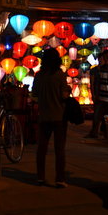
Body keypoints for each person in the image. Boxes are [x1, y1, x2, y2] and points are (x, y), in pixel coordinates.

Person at [32, 48, 71, 188]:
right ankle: (59, 179)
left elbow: (34, 94)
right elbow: (63, 95)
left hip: (43, 116)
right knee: (59, 149)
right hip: (59, 116)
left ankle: (40, 177)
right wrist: (68, 91)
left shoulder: (39, 75)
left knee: (41, 148)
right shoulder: (59, 75)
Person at [86, 49, 108, 138]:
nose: (105, 59)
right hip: (101, 96)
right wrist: (95, 95)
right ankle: (94, 133)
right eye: (104, 57)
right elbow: (97, 83)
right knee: (96, 116)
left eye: (107, 57)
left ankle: (107, 134)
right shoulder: (101, 69)